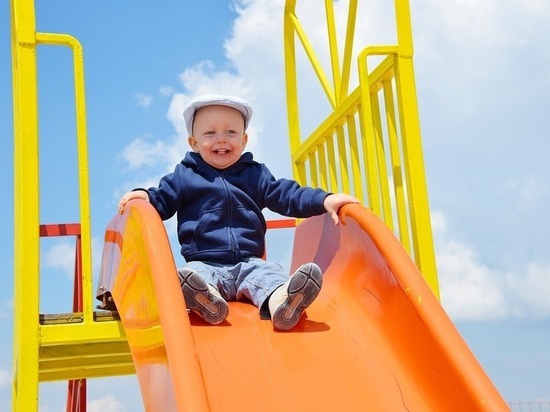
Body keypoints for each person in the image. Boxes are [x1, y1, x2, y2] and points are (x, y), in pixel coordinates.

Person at [118, 94, 360, 330]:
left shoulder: (255, 175)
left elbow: (288, 195)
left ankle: (284, 303)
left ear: (243, 141)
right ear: (193, 143)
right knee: (193, 276)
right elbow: (161, 199)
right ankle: (204, 298)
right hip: (205, 261)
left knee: (271, 277)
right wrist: (145, 196)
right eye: (210, 133)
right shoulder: (185, 177)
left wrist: (324, 199)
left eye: (230, 132)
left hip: (250, 263)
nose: (221, 139)